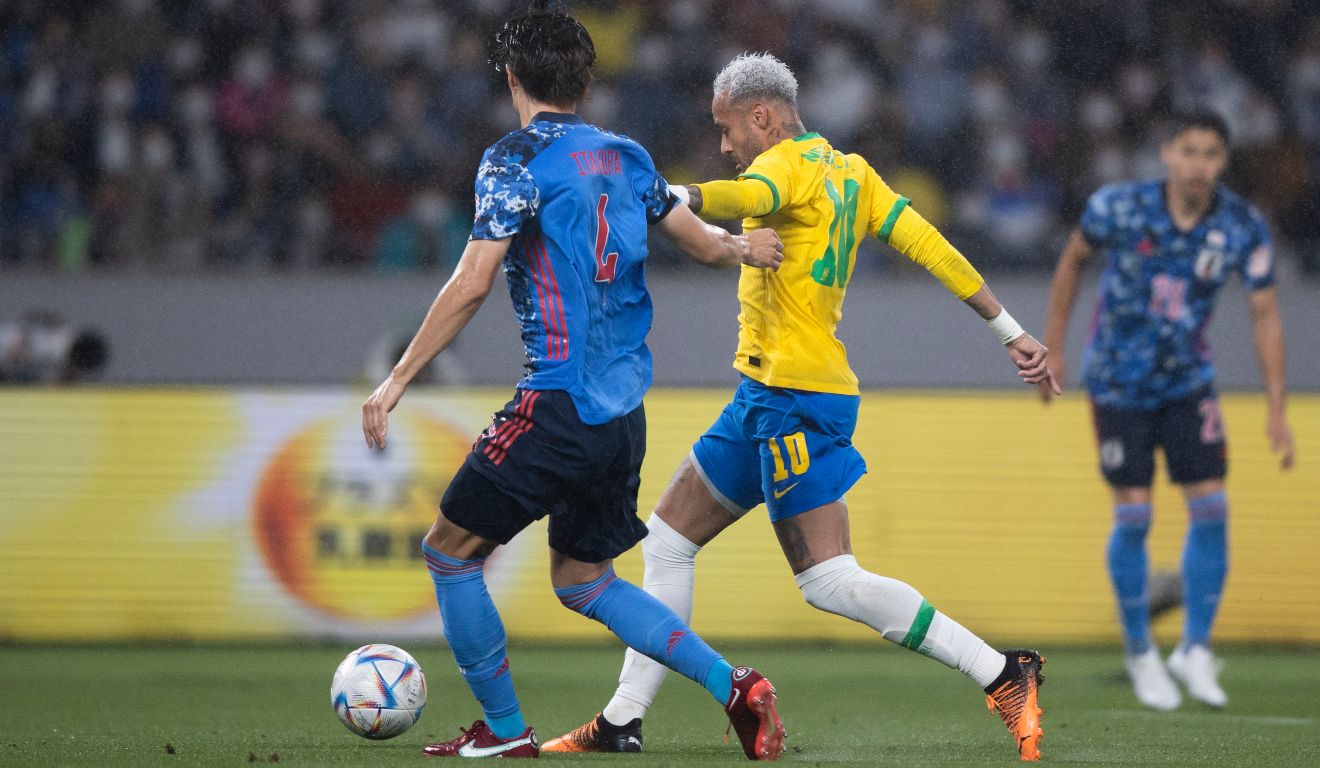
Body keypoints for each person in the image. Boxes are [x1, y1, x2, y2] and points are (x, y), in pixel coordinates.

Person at [544, 53, 1057, 763]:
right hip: (766, 396)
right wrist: (1010, 330)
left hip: (794, 399)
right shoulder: (854, 173)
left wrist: (659, 190)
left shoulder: (784, 165)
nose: (725, 144)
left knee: (827, 579)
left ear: (763, 117)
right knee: (666, 538)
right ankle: (623, 720)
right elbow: (932, 247)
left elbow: (731, 194)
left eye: (728, 129)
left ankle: (1004, 674)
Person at [360, 2, 788, 760]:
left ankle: (502, 729)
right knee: (585, 578)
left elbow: (470, 282)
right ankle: (735, 685)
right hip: (622, 414)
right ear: (586, 81)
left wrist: (396, 379)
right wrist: (744, 248)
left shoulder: (514, 158)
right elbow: (700, 243)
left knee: (449, 551)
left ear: (513, 75)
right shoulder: (626, 156)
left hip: (556, 400)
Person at [1039, 110, 1295, 711]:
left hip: (1187, 383)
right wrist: (1053, 346)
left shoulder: (1241, 225)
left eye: (1210, 153)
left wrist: (1277, 408)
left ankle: (1195, 650)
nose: (1198, 164)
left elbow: (1265, 315)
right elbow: (1073, 260)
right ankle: (1140, 651)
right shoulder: (1118, 209)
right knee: (1134, 519)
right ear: (1166, 153)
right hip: (1118, 384)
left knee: (1212, 508)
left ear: (1223, 161)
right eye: (1189, 151)